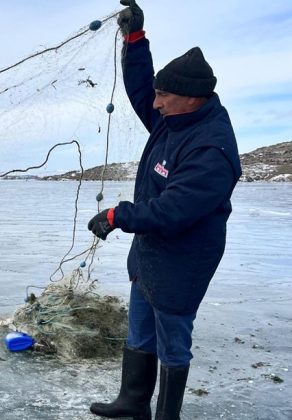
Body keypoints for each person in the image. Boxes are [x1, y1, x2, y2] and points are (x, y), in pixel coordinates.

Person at [86, 0, 242, 418]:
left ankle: (165, 415)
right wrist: (134, 40)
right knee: (139, 324)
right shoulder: (172, 118)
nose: (154, 103)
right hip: (151, 251)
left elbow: (174, 209)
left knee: (173, 338)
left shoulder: (212, 148)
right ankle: (132, 401)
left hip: (185, 258)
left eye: (164, 95)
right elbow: (141, 89)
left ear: (192, 99)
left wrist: (120, 216)